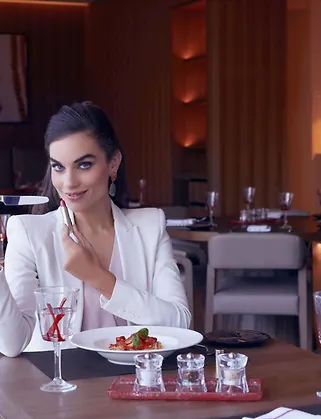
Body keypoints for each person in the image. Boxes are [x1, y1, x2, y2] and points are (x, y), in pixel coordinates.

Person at [0, 101, 190, 357]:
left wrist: (98, 278)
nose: (69, 182)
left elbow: (180, 324)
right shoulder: (28, 232)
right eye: (58, 167)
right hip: (58, 379)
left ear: (113, 163)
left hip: (137, 376)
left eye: (84, 165)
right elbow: (12, 345)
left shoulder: (149, 226)